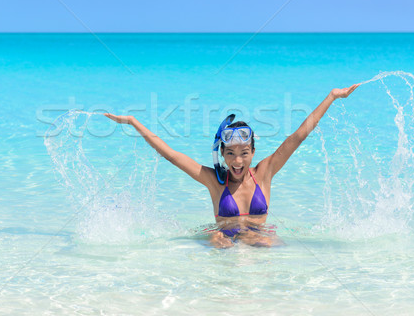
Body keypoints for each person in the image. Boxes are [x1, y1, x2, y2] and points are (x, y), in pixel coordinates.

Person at [105, 84, 359, 248]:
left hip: (259, 237)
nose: (238, 161)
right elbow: (171, 155)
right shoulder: (215, 182)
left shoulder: (265, 171)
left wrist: (333, 96)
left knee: (271, 244)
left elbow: (298, 137)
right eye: (231, 154)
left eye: (244, 153)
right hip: (222, 239)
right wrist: (133, 122)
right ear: (222, 155)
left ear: (253, 152)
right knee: (220, 243)